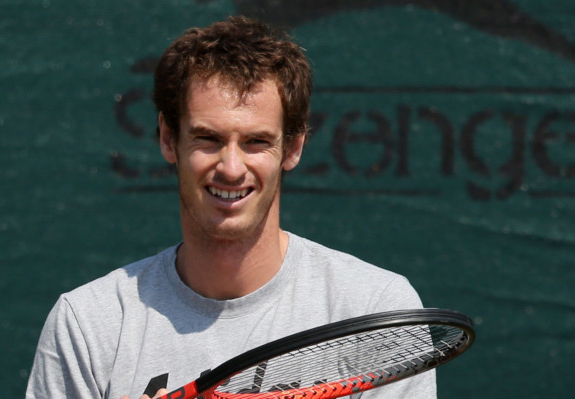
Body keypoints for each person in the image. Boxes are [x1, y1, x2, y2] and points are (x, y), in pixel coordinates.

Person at [25, 16, 436, 399]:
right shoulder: (89, 324)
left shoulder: (376, 310)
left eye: (256, 142)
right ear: (169, 139)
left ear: (293, 147)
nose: (231, 168)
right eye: (208, 138)